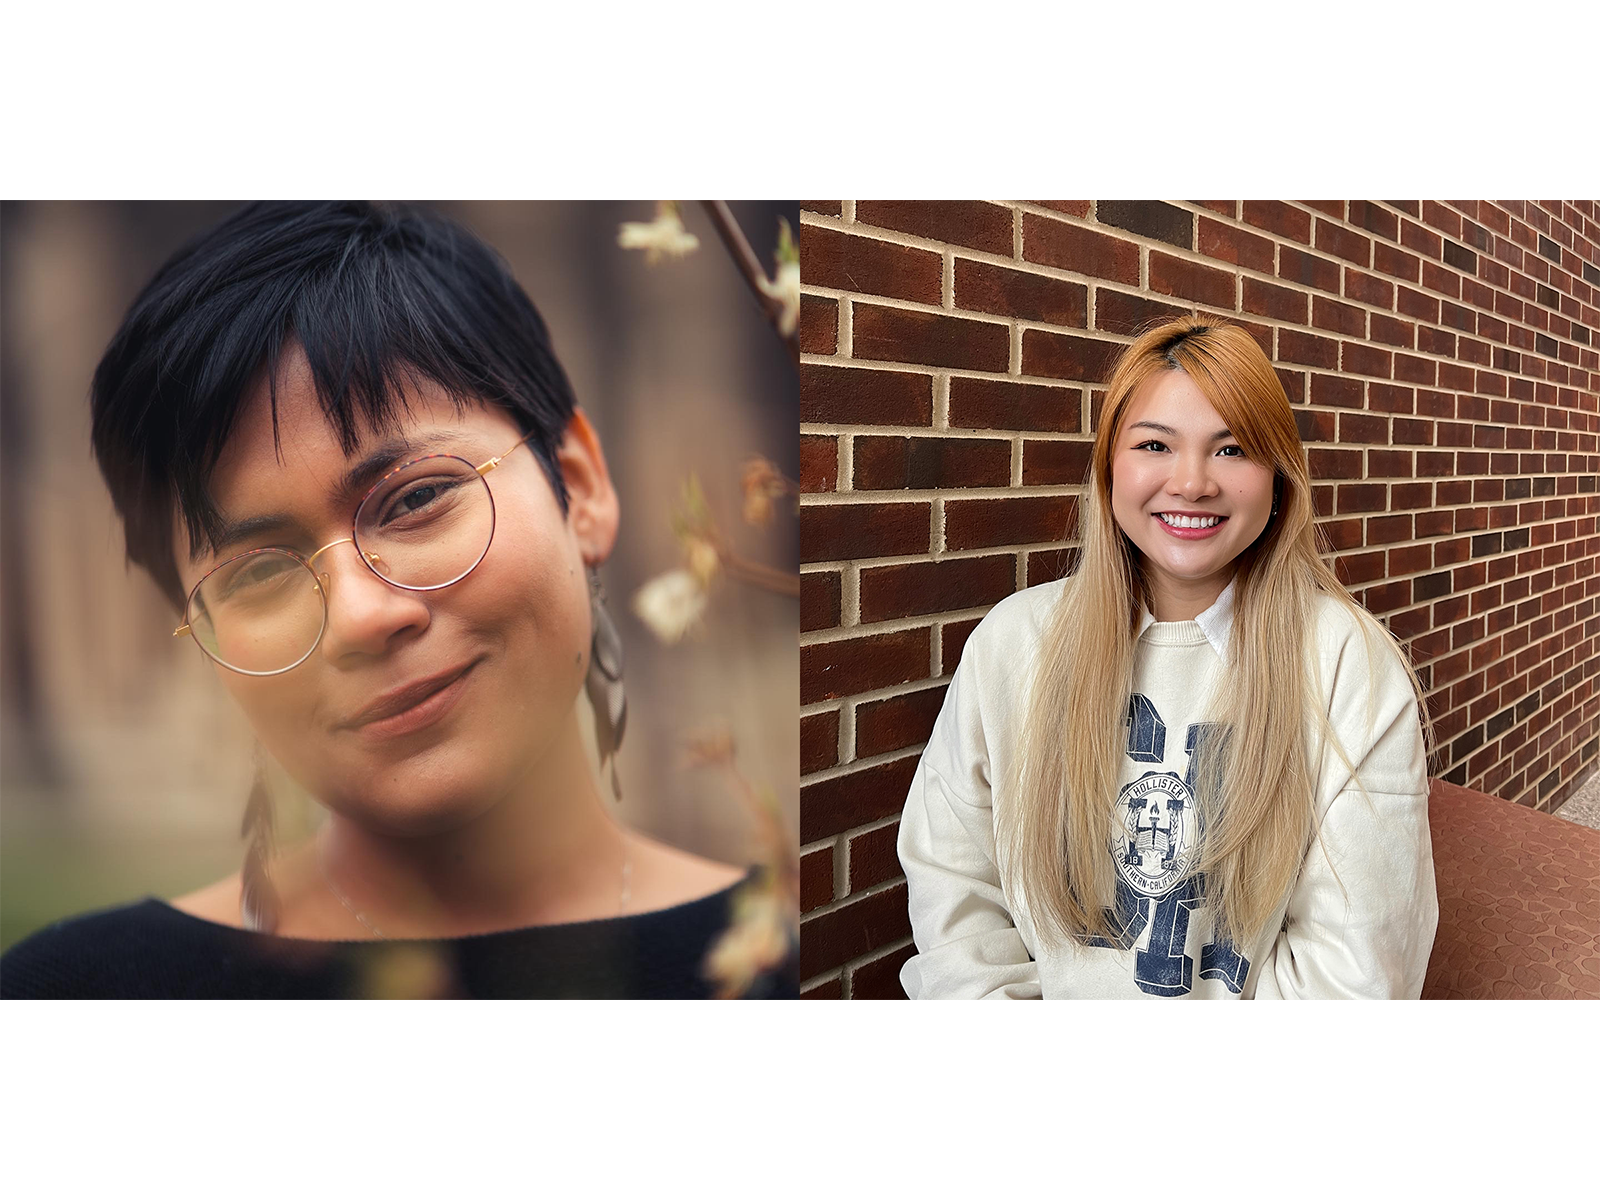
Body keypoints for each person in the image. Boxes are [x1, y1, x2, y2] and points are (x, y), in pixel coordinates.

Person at [0, 201, 794, 999]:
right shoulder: (74, 994)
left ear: (579, 488)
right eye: (260, 573)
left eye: (415, 501)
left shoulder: (803, 967)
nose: (360, 616)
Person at [898, 316, 1437, 999]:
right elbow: (956, 902)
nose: (1191, 483)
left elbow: (1359, 972)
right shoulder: (1011, 645)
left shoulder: (1347, 663)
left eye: (1232, 449)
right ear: (1110, 468)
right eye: (1156, 444)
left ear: (1277, 480)